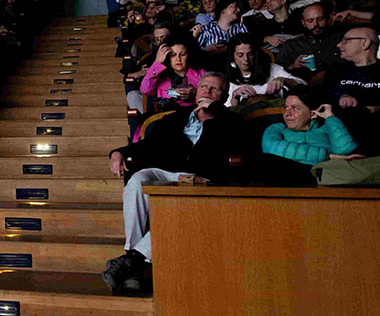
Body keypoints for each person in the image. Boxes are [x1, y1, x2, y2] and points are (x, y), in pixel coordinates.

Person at [104, 73, 248, 294]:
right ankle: (134, 258)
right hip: (166, 172)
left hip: (202, 178)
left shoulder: (231, 121)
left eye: (214, 89)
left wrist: (215, 114)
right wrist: (118, 152)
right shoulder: (175, 118)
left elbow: (233, 147)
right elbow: (147, 145)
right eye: (204, 86)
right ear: (196, 89)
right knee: (137, 181)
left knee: (177, 201)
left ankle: (133, 262)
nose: (207, 92)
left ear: (224, 95)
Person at [261, 90, 360, 181]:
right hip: (289, 178)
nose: (287, 113)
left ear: (313, 114)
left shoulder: (326, 128)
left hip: (326, 177)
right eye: (285, 108)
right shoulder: (277, 128)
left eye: (294, 108)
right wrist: (328, 156)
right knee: (267, 161)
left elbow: (345, 150)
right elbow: (272, 148)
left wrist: (330, 117)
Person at [224, 35, 305, 107]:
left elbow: (303, 85)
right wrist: (235, 96)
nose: (246, 59)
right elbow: (228, 109)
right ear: (232, 57)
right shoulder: (226, 78)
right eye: (240, 55)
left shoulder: (272, 68)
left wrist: (284, 80)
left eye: (250, 54)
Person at [276, 3, 343, 80]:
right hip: (304, 86)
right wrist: (293, 66)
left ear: (327, 19)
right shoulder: (291, 45)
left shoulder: (341, 39)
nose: (316, 24)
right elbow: (277, 71)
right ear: (303, 23)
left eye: (320, 19)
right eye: (310, 21)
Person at [139, 36, 204, 111]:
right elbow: (145, 90)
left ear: (189, 55)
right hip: (165, 116)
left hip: (194, 115)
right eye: (173, 55)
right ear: (167, 57)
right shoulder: (160, 74)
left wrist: (196, 93)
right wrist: (157, 62)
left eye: (182, 54)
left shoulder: (201, 73)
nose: (178, 59)